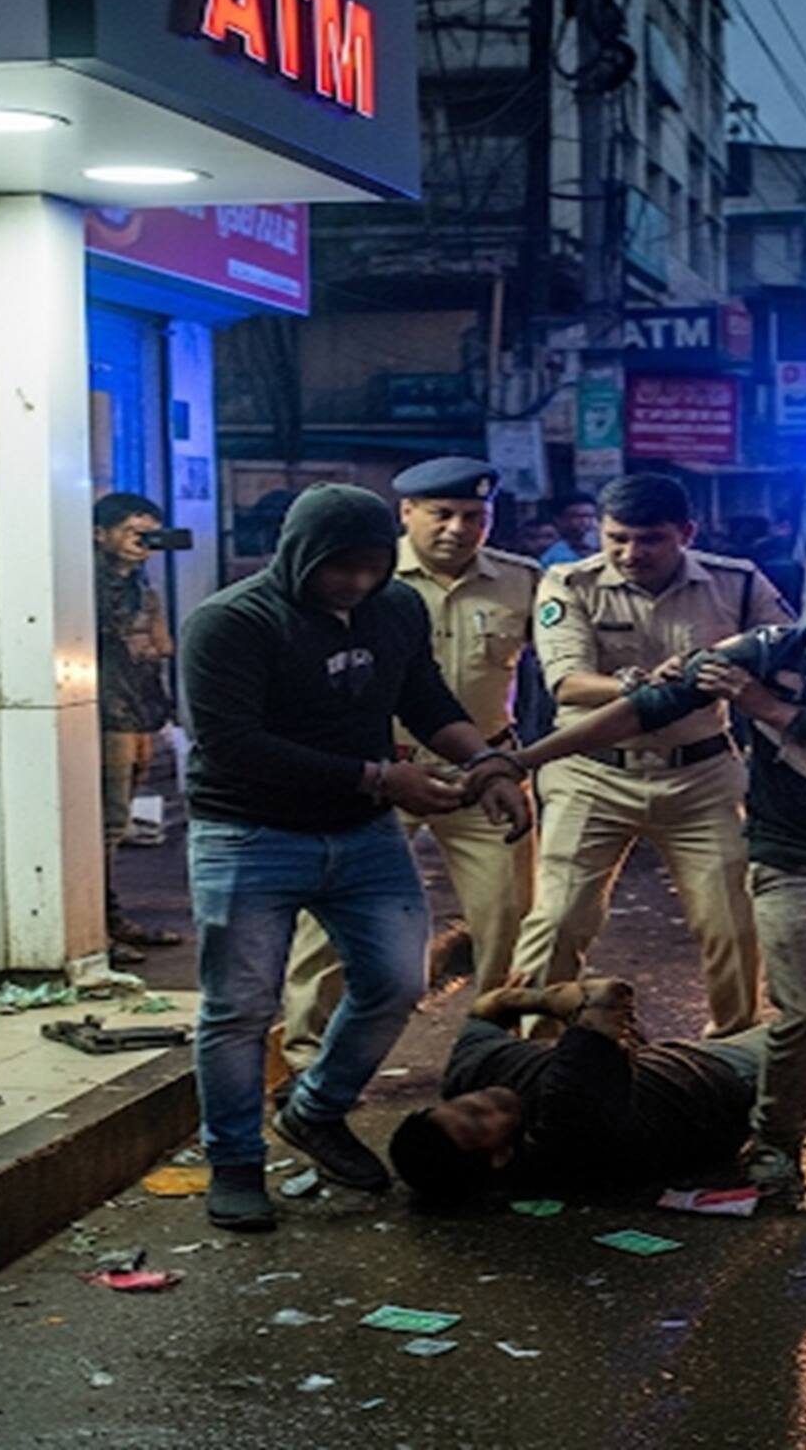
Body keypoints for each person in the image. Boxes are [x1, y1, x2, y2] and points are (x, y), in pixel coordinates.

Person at [503, 554, 806, 1189]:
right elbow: (645, 710)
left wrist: (773, 710)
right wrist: (524, 759)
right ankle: (776, 1141)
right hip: (799, 866)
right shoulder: (764, 652)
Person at [179, 484, 532, 1231]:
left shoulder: (396, 607)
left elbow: (427, 700)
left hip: (360, 833)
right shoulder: (229, 623)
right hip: (248, 834)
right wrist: (380, 777)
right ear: (299, 552)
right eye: (341, 567)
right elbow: (231, 745)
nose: (357, 582)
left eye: (373, 566)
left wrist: (490, 765)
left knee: (395, 981)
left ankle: (317, 1109)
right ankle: (235, 1163)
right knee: (240, 1009)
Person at [279, 458, 542, 1080]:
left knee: (509, 918)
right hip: (375, 775)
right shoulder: (361, 576)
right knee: (329, 927)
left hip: (482, 771)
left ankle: (493, 1057)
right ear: (406, 514)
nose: (457, 528)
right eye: (441, 514)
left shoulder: (523, 581)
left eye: (474, 516)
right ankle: (306, 1062)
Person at [510, 474, 789, 1036]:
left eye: (650, 539)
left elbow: (785, 651)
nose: (629, 553)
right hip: (592, 774)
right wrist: (641, 684)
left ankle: (733, 1045)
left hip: (702, 773)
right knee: (560, 920)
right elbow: (566, 683)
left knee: (733, 922)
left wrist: (746, 673)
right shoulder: (569, 582)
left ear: (685, 533)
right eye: (616, 538)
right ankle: (531, 1055)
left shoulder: (735, 582)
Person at [388, 975, 806, 1202]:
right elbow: (609, 993)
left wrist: (539, 999)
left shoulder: (473, 1079)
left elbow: (485, 1011)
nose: (479, 1102)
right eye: (479, 1124)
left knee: (796, 1028)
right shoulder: (564, 1126)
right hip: (715, 1083)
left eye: (459, 1107)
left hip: (661, 1070)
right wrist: (556, 1002)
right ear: (499, 1159)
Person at [93, 492, 184, 967]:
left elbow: (162, 646)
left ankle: (111, 918)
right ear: (99, 534)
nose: (144, 543)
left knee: (117, 821)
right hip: (107, 711)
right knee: (105, 825)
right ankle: (96, 926)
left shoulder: (137, 582)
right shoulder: (91, 584)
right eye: (134, 533)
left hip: (138, 708)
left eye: (150, 534)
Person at [539, 492, 600, 566]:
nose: (585, 521)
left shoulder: (602, 547)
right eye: (578, 516)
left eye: (590, 516)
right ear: (559, 519)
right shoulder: (555, 556)